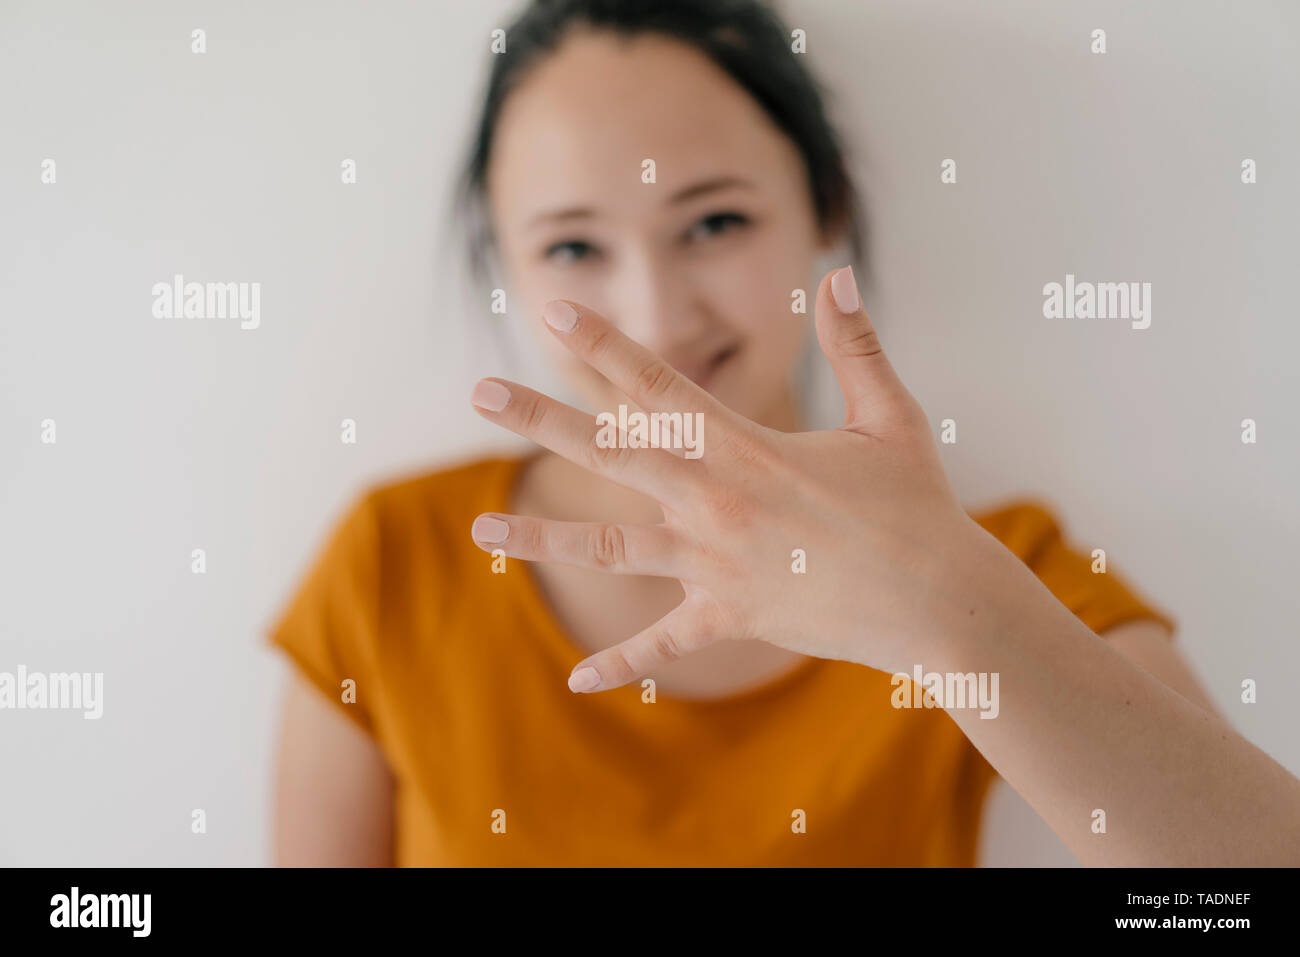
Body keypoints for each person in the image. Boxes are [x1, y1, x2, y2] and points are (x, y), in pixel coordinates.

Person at [268, 0, 1300, 866]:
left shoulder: (995, 565)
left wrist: (942, 608)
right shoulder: (391, 560)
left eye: (714, 223)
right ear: (507, 262)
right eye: (573, 245)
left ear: (824, 210)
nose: (659, 319)